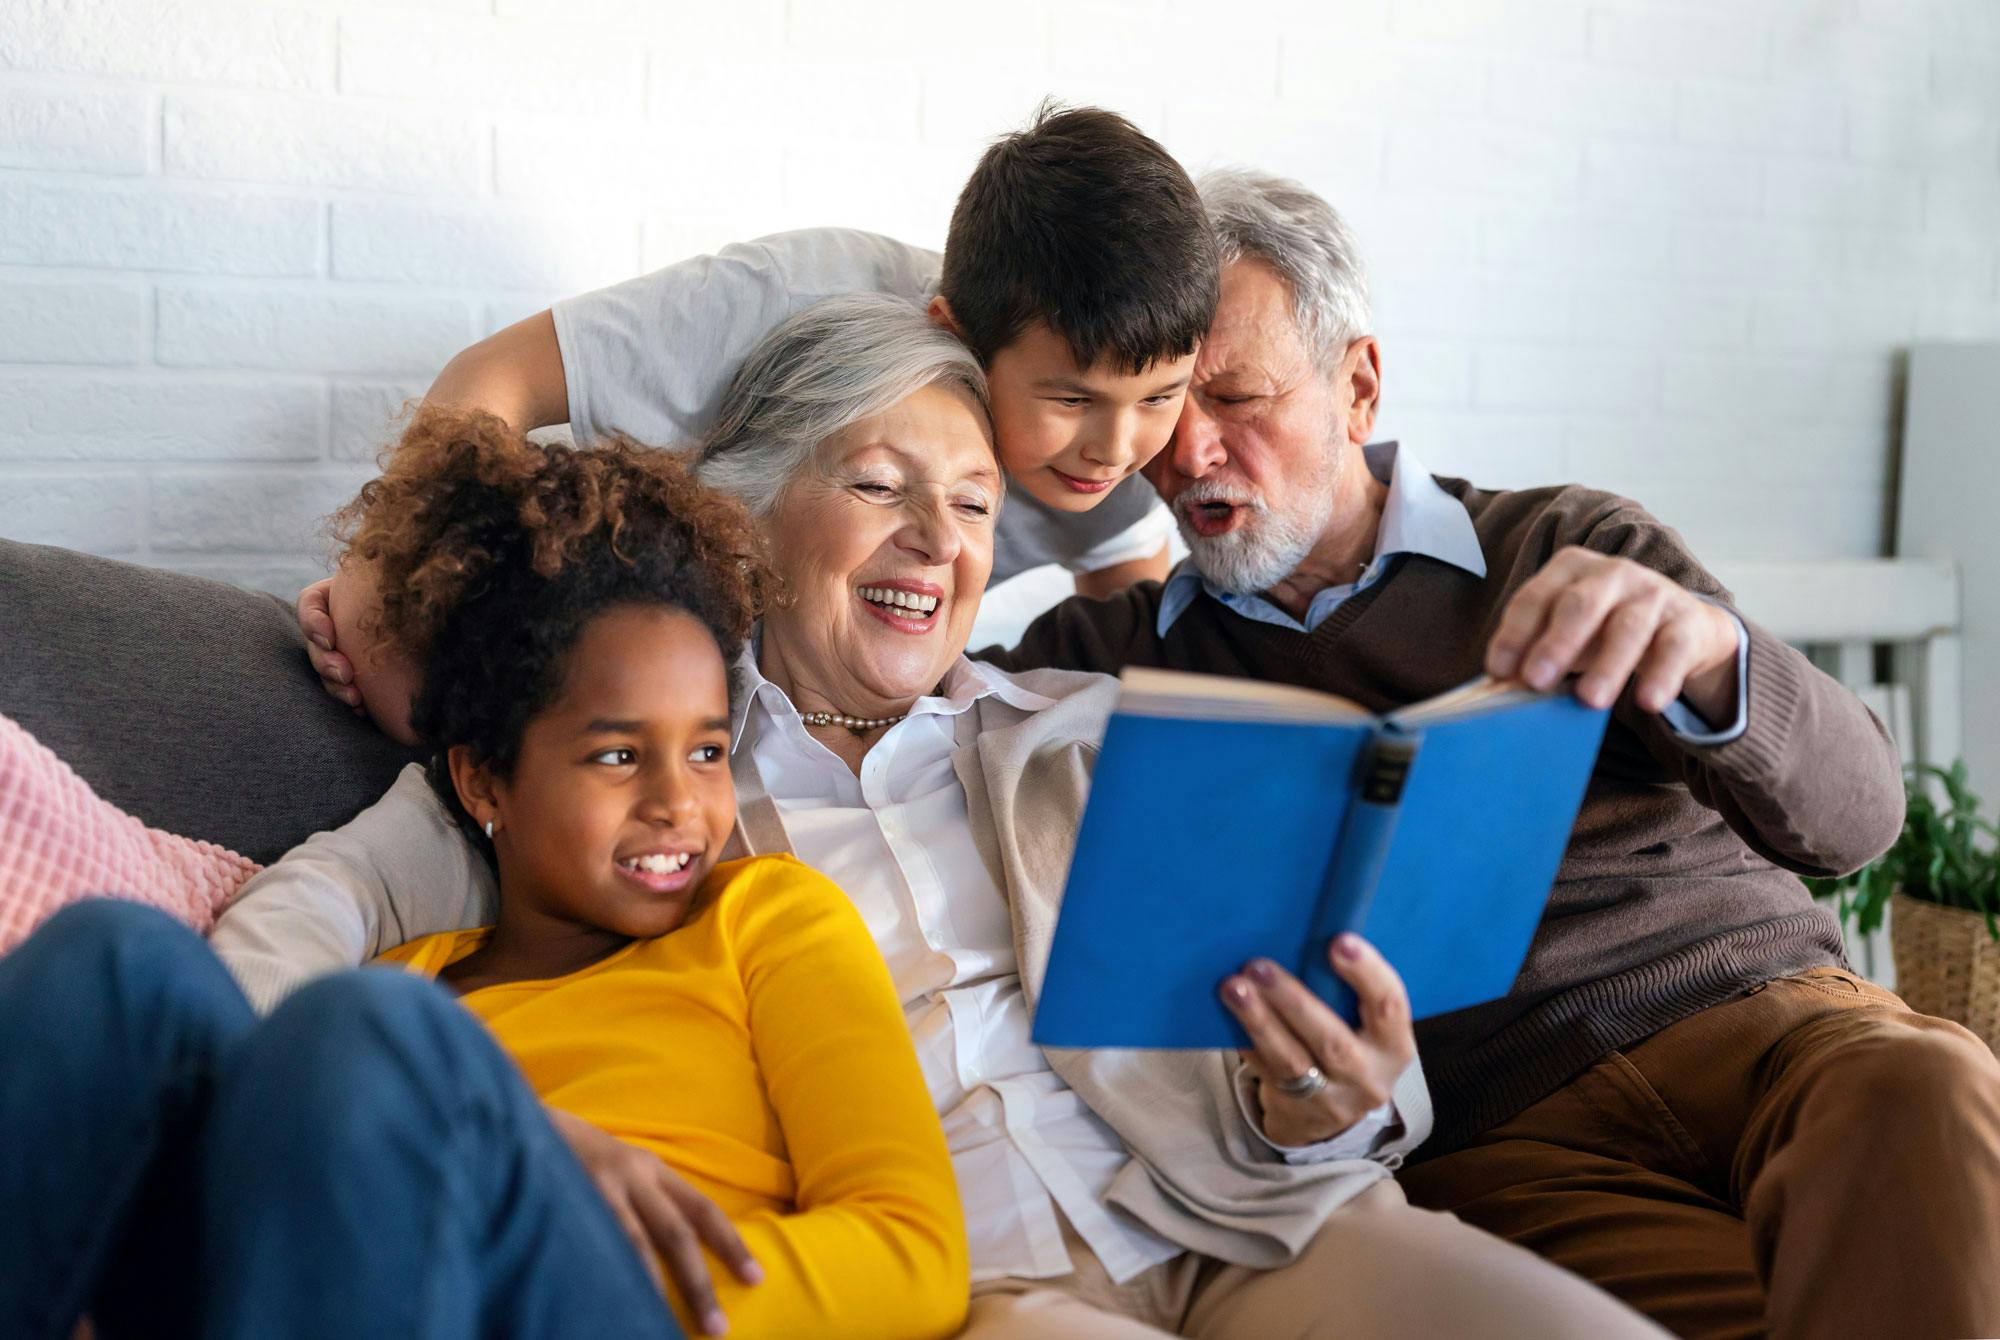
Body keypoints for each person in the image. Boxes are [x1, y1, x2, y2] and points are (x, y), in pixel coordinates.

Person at [210, 295, 1664, 1338]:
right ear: (753, 515)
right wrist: (269, 1092)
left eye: (974, 509)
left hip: (1254, 1233)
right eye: (880, 486)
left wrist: (1334, 1095)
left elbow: (1339, 1094)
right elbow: (317, 909)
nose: (936, 542)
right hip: (980, 1293)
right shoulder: (638, 756)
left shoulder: (1085, 735)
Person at [974, 168, 2000, 1339]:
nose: (1191, 451)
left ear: (1356, 385)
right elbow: (880, 653)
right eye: (1163, 403)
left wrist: (1714, 652)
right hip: (1497, 1139)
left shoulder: (1562, 543)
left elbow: (1859, 821)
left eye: (1240, 399)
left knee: (1928, 1079)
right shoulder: (1100, 663)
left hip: (1762, 1027)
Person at [0, 415, 967, 1340]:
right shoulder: (403, 979)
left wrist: (517, 1179)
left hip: (617, 1308)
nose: (681, 804)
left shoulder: (768, 917)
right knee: (116, 960)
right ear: (484, 778)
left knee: (370, 1033)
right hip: (340, 1282)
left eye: (709, 752)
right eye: (619, 758)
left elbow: (912, 1253)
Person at [300, 102, 1218, 737]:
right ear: (958, 336)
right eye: (1069, 400)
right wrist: (397, 590)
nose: (1117, 446)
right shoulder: (782, 301)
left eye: (1160, 397)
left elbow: (1121, 642)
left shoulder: (1109, 458)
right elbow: (495, 377)